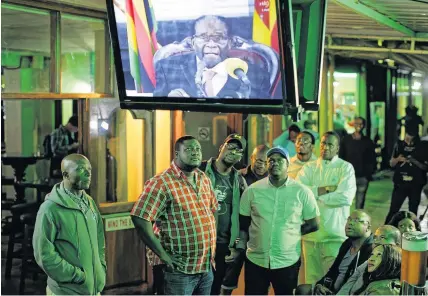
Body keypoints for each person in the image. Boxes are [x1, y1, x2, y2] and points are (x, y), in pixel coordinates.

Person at [130, 136, 217, 295]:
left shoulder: (204, 178)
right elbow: (140, 217)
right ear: (177, 154)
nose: (195, 153)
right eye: (189, 149)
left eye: (197, 149)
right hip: (178, 271)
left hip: (205, 267)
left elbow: (211, 212)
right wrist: (164, 256)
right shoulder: (161, 182)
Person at [239, 146, 320, 295]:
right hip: (256, 260)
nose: (274, 163)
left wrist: (292, 232)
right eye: (271, 160)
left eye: (279, 160)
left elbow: (314, 224)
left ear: (288, 165)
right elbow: (244, 222)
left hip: (287, 261)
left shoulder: (302, 192)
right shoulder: (252, 190)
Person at [33, 154, 106, 295]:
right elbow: (44, 255)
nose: (88, 173)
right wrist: (77, 276)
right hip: (66, 292)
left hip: (93, 290)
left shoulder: (89, 202)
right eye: (80, 169)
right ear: (65, 174)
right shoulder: (50, 209)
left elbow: (100, 241)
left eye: (89, 169)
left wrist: (101, 269)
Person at [153, 15, 271, 99]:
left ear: (230, 43)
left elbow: (264, 118)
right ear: (193, 42)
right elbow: (156, 111)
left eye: (218, 37)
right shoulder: (167, 68)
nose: (211, 44)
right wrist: (170, 103)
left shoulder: (256, 76)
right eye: (203, 37)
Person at [296, 131, 357, 284]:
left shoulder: (345, 168)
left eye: (330, 144)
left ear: (337, 148)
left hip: (334, 236)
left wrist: (314, 195)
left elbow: (345, 197)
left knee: (333, 282)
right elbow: (298, 193)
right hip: (310, 236)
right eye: (323, 143)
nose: (325, 147)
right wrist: (327, 189)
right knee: (311, 281)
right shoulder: (309, 168)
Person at [199, 133, 247, 295]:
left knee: (214, 289)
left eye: (238, 150)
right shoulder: (199, 170)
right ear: (221, 147)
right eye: (230, 147)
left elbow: (245, 218)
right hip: (199, 242)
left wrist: (237, 246)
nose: (233, 152)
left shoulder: (239, 180)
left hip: (222, 246)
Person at [296, 210, 374, 295]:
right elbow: (332, 271)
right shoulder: (347, 244)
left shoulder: (372, 251)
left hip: (348, 292)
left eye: (356, 220)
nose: (350, 223)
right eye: (349, 219)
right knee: (302, 290)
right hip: (332, 290)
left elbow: (361, 284)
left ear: (368, 227)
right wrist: (320, 285)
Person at [337, 225, 401, 295]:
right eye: (375, 238)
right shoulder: (368, 263)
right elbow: (348, 285)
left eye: (382, 237)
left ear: (396, 245)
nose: (376, 242)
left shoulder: (391, 283)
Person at [385, 128, 428, 223]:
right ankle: (385, 229)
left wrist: (414, 161)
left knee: (413, 210)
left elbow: (425, 167)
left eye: (411, 141)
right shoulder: (399, 145)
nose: (408, 143)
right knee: (393, 209)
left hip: (416, 184)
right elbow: (391, 163)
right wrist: (398, 159)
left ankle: (412, 231)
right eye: (406, 140)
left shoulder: (423, 147)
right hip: (400, 183)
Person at [339, 117, 376, 209]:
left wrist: (369, 174)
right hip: (348, 176)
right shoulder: (346, 140)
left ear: (364, 126)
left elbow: (372, 159)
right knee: (345, 202)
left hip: (362, 176)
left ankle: (357, 221)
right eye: (356, 124)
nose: (358, 126)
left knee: (360, 203)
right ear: (353, 125)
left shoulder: (368, 142)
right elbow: (341, 157)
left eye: (361, 124)